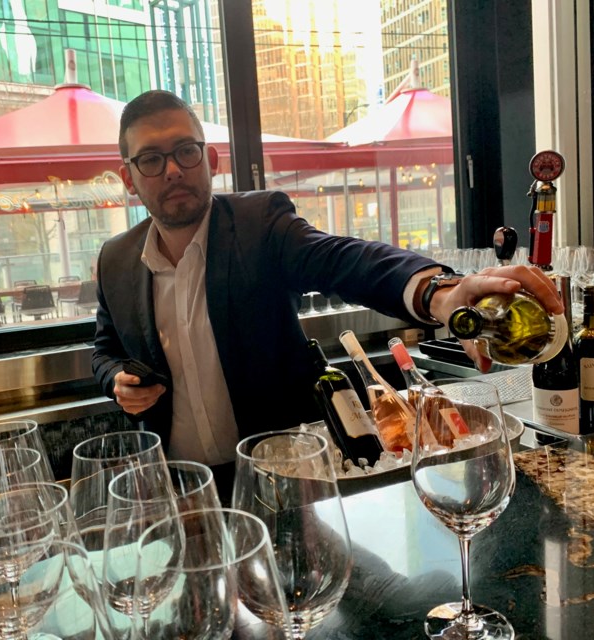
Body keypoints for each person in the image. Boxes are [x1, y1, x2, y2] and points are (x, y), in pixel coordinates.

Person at [90, 90, 562, 499]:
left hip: (283, 478)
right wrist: (117, 380)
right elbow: (106, 348)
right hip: (179, 487)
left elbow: (345, 260)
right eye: (151, 159)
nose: (172, 170)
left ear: (210, 161)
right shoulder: (115, 259)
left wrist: (440, 292)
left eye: (185, 151)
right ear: (128, 177)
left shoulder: (259, 225)